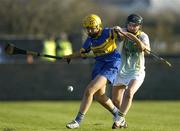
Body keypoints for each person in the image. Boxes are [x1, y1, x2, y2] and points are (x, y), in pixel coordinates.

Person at [64, 14, 125, 129]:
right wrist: (69, 56)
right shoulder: (89, 41)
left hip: (111, 64)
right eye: (88, 28)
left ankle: (77, 121)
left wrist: (119, 30)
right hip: (99, 65)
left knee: (89, 90)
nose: (90, 30)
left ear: (99, 26)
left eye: (93, 28)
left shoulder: (108, 32)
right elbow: (82, 54)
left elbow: (121, 35)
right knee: (99, 96)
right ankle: (118, 115)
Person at [112, 14, 151, 128]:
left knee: (129, 94)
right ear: (127, 24)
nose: (133, 27)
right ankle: (122, 120)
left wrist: (137, 41)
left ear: (139, 26)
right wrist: (116, 30)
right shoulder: (123, 32)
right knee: (115, 101)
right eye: (130, 25)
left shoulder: (143, 36)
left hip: (136, 71)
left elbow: (147, 51)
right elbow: (117, 34)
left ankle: (118, 120)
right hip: (121, 71)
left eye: (135, 25)